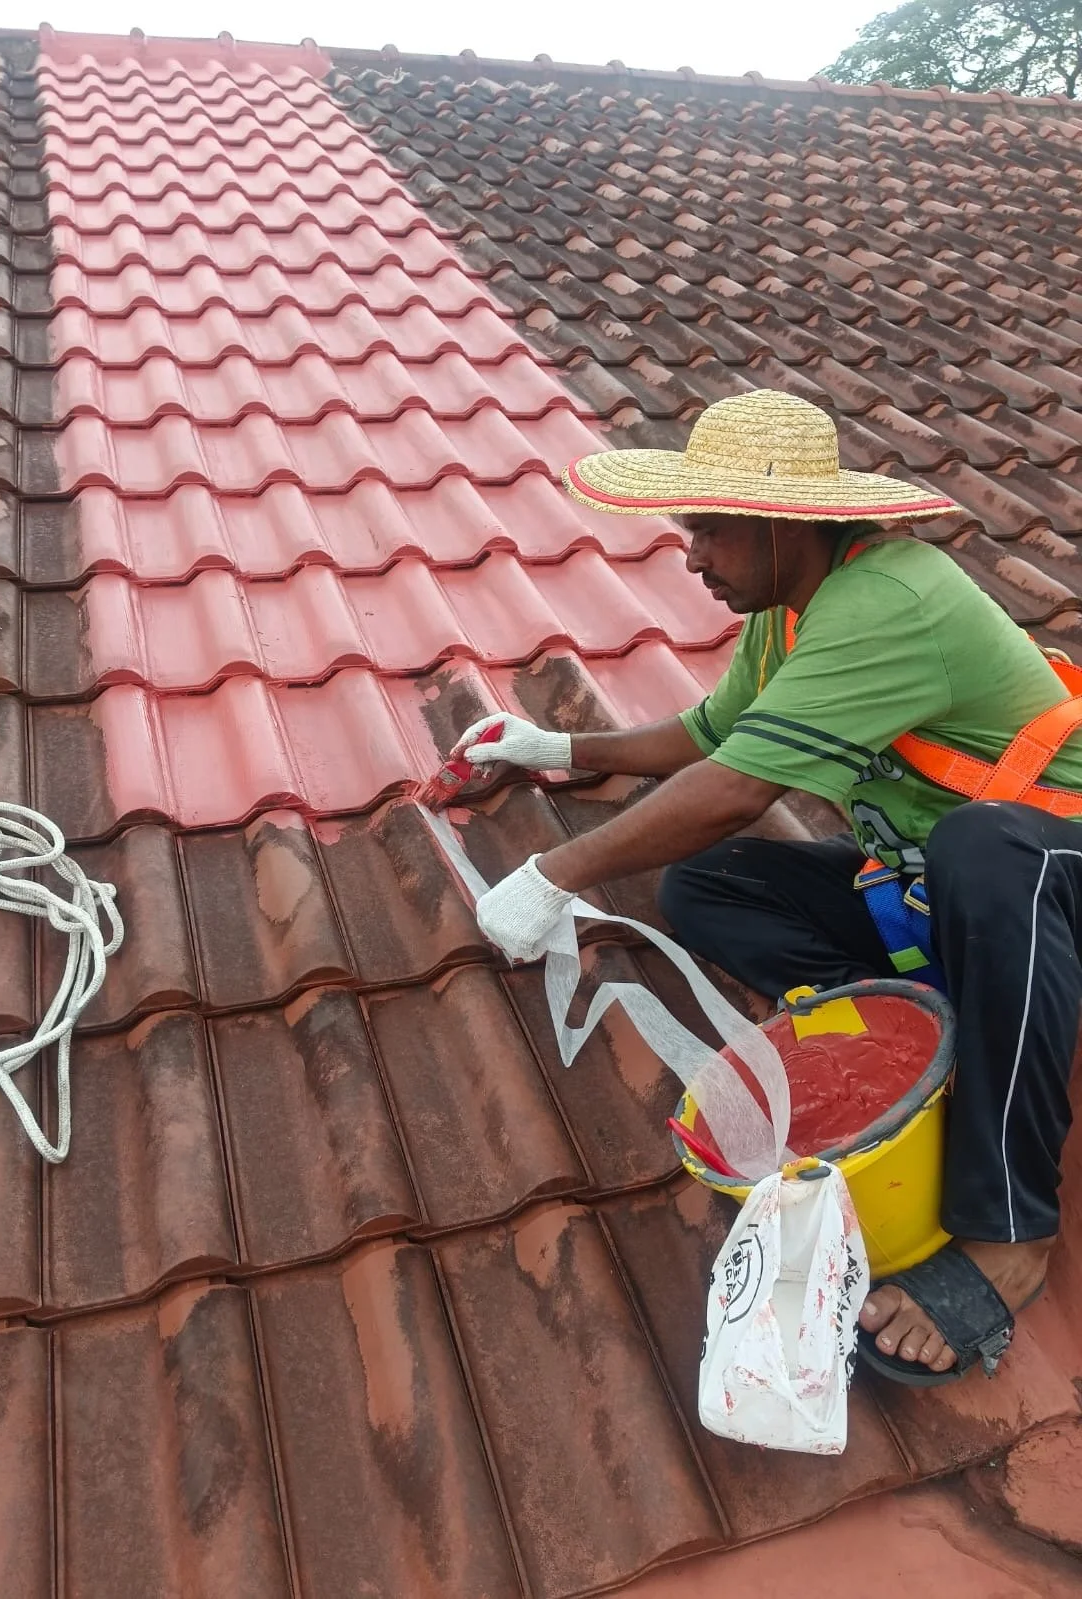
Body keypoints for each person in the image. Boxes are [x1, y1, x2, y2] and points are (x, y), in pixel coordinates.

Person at [455, 388, 1082, 1387]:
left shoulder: (891, 600)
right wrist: (556, 746)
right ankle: (946, 1032)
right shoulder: (794, 613)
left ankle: (1009, 1233)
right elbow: (710, 740)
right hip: (946, 895)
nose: (692, 556)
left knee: (979, 847)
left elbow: (737, 789)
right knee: (712, 886)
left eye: (709, 533)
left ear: (790, 527)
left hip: (1052, 876)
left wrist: (552, 873)